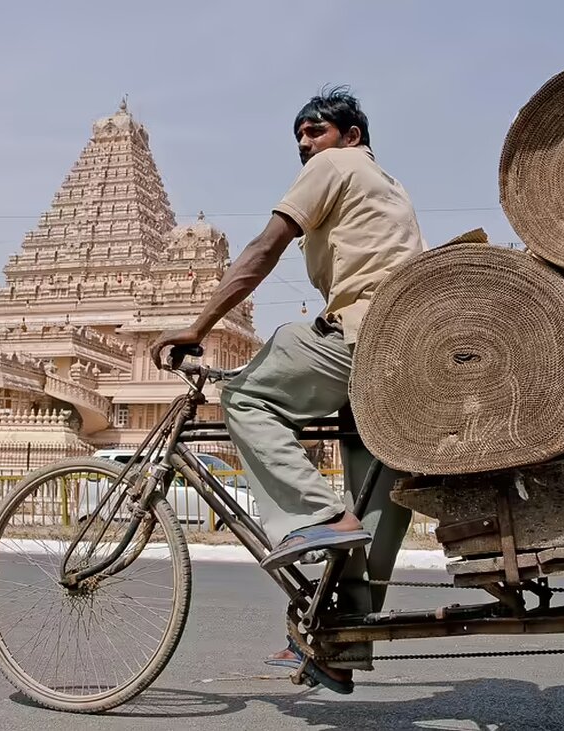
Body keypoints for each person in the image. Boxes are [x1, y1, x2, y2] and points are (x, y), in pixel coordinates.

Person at [150, 86, 426, 693]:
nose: (306, 144)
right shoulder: (389, 183)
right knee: (375, 501)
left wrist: (197, 326)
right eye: (300, 135)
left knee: (246, 396)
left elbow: (263, 249)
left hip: (359, 333)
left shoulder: (335, 167)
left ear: (352, 136)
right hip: (406, 351)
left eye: (317, 130)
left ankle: (312, 516)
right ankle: (340, 640)